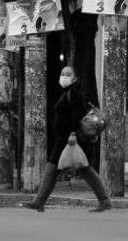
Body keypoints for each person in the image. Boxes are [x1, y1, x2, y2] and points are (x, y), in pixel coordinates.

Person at [21, 66, 111, 212]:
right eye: (62, 73)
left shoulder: (74, 93)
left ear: (75, 78)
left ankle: (39, 201)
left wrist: (72, 135)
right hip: (65, 138)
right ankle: (104, 201)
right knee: (83, 170)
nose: (64, 76)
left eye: (68, 74)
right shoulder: (67, 92)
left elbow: (77, 116)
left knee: (55, 168)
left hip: (69, 139)